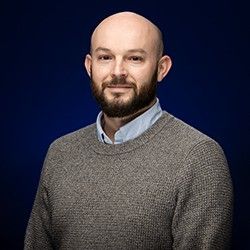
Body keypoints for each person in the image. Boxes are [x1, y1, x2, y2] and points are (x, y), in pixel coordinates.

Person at [24, 11, 233, 249]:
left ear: (161, 68)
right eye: (105, 57)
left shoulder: (199, 157)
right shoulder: (60, 153)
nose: (118, 71)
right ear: (89, 66)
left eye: (134, 58)